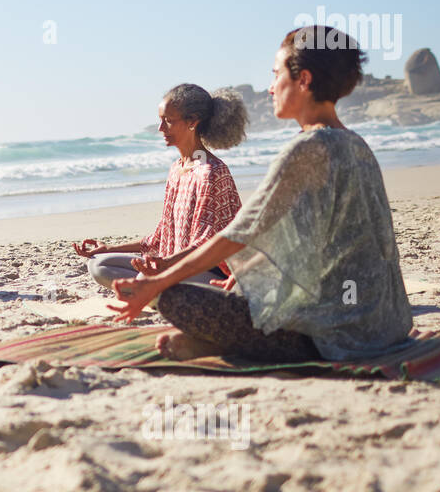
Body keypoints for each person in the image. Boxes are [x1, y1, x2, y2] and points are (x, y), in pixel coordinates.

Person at [108, 26, 413, 362]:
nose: (270, 88)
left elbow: (237, 235)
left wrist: (158, 283)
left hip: (341, 334)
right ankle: (218, 341)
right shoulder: (357, 145)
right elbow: (306, 239)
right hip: (388, 323)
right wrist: (248, 278)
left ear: (304, 80)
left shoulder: (309, 148)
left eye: (276, 74)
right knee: (225, 292)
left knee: (171, 297)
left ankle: (224, 346)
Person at [74, 84, 247, 289]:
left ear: (192, 122)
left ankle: (154, 291)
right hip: (172, 266)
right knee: (99, 264)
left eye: (168, 121)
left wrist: (165, 265)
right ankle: (153, 291)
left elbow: (207, 244)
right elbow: (159, 237)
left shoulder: (212, 172)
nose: (161, 129)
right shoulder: (176, 169)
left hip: (210, 274)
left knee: (143, 281)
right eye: (161, 120)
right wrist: (108, 248)